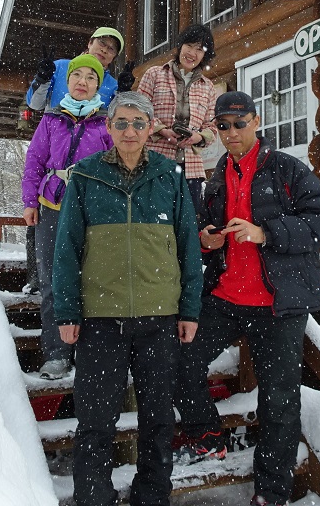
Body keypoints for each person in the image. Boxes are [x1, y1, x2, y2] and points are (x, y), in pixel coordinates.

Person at [173, 91, 320, 506]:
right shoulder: (217, 174)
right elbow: (210, 230)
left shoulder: (287, 169)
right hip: (225, 297)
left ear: (256, 121)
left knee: (279, 401)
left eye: (239, 123)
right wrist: (208, 239)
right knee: (178, 357)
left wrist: (267, 233)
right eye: (223, 126)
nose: (231, 133)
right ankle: (208, 436)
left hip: (277, 305)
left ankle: (271, 493)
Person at [52, 91, 203, 506]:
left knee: (158, 422)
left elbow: (188, 244)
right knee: (96, 421)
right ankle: (94, 496)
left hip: (160, 319)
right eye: (122, 122)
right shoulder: (84, 175)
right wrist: (67, 310)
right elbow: (66, 248)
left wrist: (189, 308)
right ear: (109, 126)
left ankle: (152, 496)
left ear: (151, 127)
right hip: (101, 319)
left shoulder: (170, 175)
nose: (130, 131)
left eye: (139, 123)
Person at [22, 54, 114, 380]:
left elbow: (116, 168)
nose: (82, 82)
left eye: (91, 77)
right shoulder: (51, 120)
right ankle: (56, 354)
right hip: (53, 207)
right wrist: (29, 201)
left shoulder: (106, 124)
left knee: (91, 281)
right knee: (52, 282)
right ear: (68, 80)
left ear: (97, 87)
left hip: (92, 212)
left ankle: (88, 353)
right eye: (78, 76)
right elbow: (34, 161)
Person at [137, 24, 219, 210]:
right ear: (180, 46)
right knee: (152, 221)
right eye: (189, 45)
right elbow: (139, 113)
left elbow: (212, 127)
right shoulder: (154, 74)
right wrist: (162, 131)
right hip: (154, 163)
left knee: (188, 224)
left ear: (205, 55)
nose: (192, 53)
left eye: (199, 49)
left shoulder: (208, 87)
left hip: (192, 170)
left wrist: (198, 137)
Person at [26, 26, 136, 112]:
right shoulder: (59, 67)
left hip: (92, 141)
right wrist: (42, 79)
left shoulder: (114, 86)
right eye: (102, 42)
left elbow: (116, 121)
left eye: (111, 49)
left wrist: (123, 94)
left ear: (113, 58)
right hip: (54, 138)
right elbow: (35, 105)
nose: (104, 50)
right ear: (90, 43)